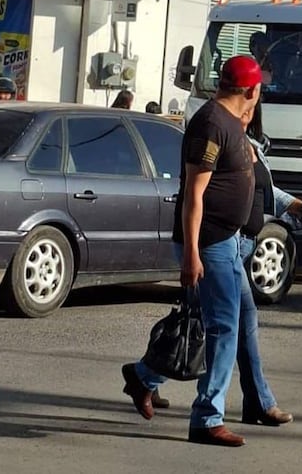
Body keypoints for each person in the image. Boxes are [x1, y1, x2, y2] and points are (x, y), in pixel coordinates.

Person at [121, 55, 262, 448]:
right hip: (211, 244)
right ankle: (206, 417)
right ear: (251, 89)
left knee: (224, 320)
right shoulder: (212, 124)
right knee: (221, 329)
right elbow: (193, 196)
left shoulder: (232, 123)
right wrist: (192, 254)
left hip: (228, 241)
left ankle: (144, 377)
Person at [236, 101, 302, 425]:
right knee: (230, 322)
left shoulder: (253, 148)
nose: (248, 112)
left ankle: (145, 376)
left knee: (211, 322)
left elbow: (267, 192)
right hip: (226, 246)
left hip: (246, 244)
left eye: (251, 107)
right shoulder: (221, 139)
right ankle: (257, 403)